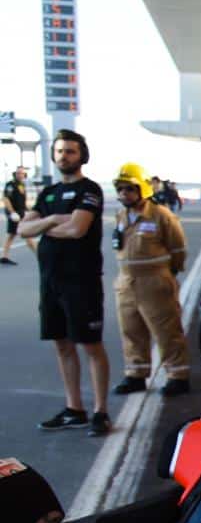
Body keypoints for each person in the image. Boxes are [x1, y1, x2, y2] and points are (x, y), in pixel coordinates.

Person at [18, 129, 112, 436]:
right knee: (62, 344)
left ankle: (100, 412)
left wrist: (44, 226)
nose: (64, 156)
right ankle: (75, 409)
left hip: (81, 282)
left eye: (70, 151)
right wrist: (51, 220)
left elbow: (76, 230)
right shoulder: (48, 193)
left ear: (82, 155)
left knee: (91, 346)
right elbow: (23, 229)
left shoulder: (90, 190)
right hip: (51, 282)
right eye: (59, 151)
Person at [111, 162, 191, 396]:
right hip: (126, 283)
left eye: (129, 188)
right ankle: (136, 374)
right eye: (120, 189)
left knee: (166, 331)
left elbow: (178, 249)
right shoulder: (121, 216)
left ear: (142, 189)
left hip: (154, 282)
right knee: (131, 330)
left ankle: (178, 376)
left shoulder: (161, 216)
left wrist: (167, 274)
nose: (124, 194)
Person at [2, 166, 37, 265]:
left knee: (11, 235)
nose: (20, 175)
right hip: (15, 214)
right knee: (27, 233)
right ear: (15, 174)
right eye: (18, 173)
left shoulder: (22, 185)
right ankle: (40, 256)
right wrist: (12, 212)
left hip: (21, 212)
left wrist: (28, 210)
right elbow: (5, 199)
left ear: (24, 175)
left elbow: (22, 201)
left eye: (22, 173)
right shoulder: (10, 185)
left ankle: (4, 257)